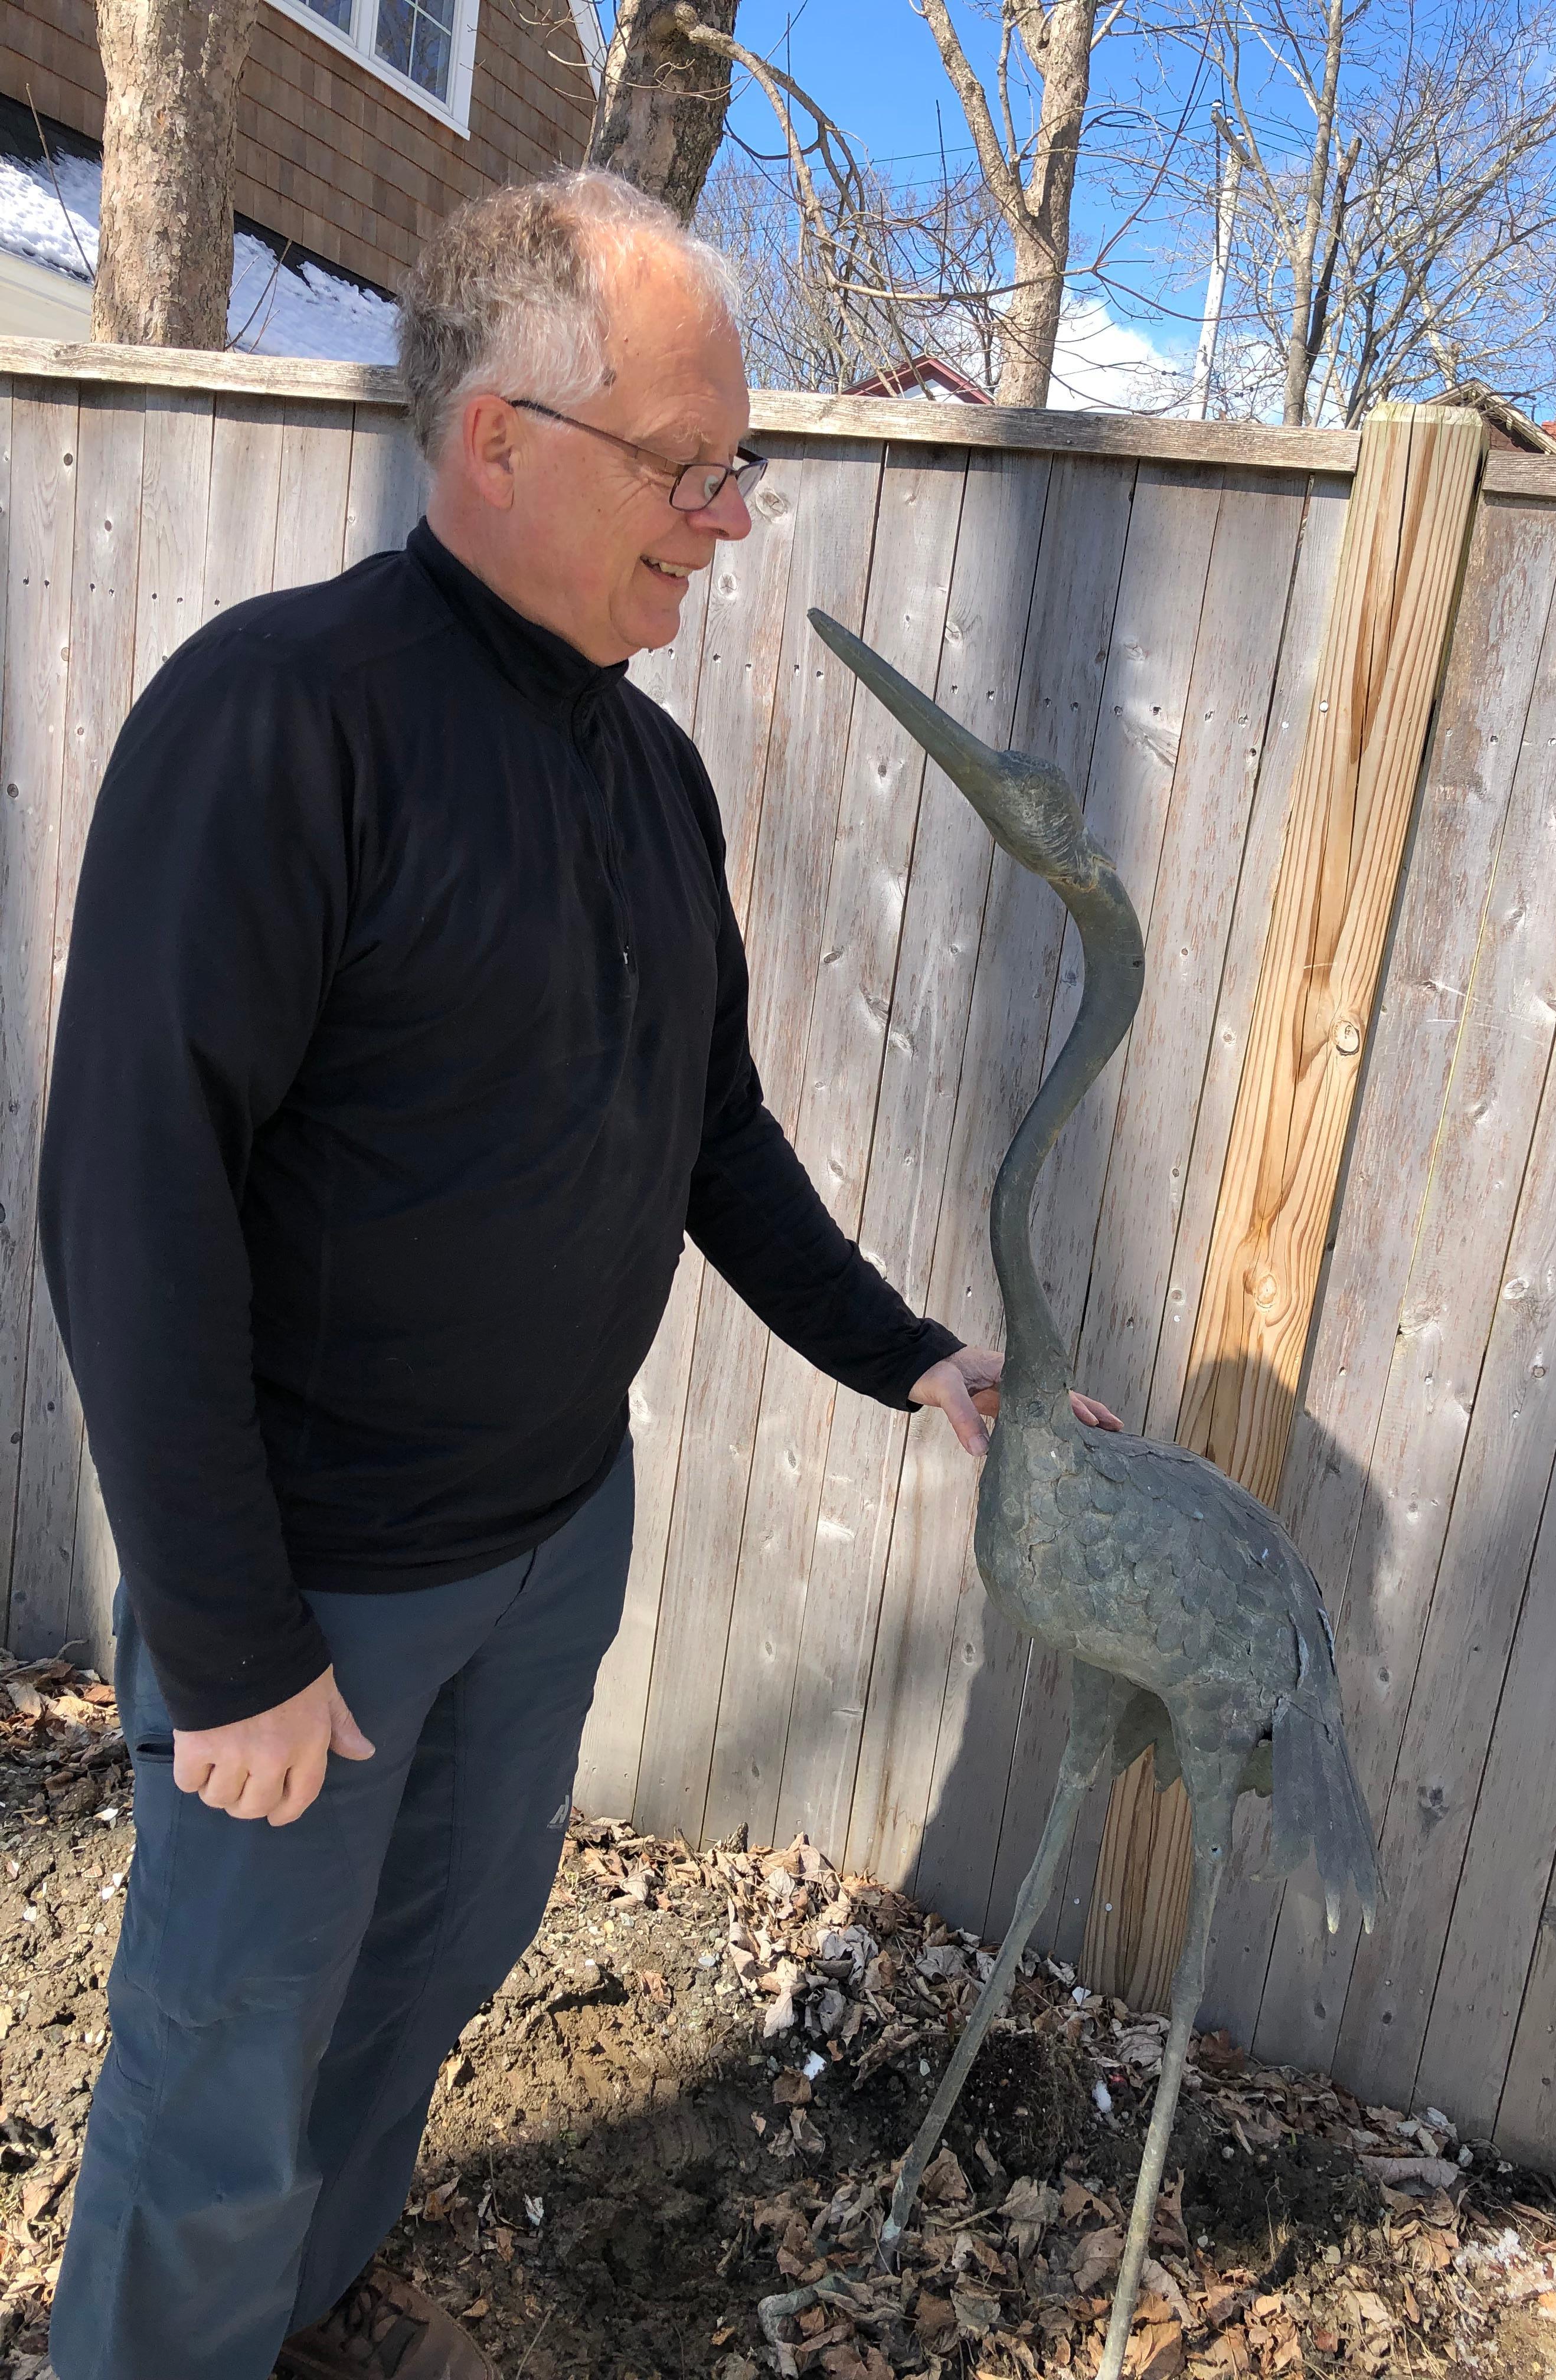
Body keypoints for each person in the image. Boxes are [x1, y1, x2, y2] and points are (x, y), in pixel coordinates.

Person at [38, 169, 1119, 2380]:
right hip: (311, 1597)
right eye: (688, 465)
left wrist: (913, 1356)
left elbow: (702, 1131)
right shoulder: (279, 718)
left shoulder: (646, 774)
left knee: (422, 1982)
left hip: (544, 1551)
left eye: (742, 469)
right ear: (498, 439)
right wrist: (232, 1646)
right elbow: (126, 1196)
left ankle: (309, 2315)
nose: (727, 518)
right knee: (222, 2071)